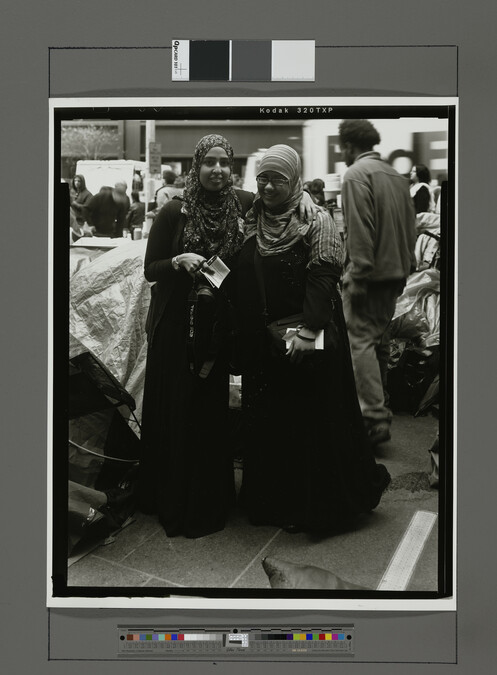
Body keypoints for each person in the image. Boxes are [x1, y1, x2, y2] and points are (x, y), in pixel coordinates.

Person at [234, 144, 390, 533]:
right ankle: (272, 501)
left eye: (279, 179)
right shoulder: (252, 216)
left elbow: (324, 279)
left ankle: (308, 505)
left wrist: (309, 331)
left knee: (306, 418)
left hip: (305, 333)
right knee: (271, 421)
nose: (269, 187)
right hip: (265, 342)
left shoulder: (315, 220)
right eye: (263, 178)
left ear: (295, 181)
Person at [138, 134, 254, 538]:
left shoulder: (242, 205)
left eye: (224, 162)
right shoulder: (174, 212)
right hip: (175, 328)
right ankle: (173, 497)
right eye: (210, 162)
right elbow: (150, 268)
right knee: (178, 406)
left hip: (215, 329)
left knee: (208, 411)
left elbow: (283, 201)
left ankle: (208, 499)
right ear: (196, 165)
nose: (217, 170)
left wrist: (309, 202)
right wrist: (177, 259)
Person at [338, 119, 417, 445]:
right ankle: (380, 407)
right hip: (395, 272)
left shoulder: (356, 175)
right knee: (379, 344)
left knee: (359, 343)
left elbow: (360, 227)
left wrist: (357, 273)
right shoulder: (396, 177)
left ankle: (372, 418)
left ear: (347, 146)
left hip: (370, 275)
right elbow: (410, 224)